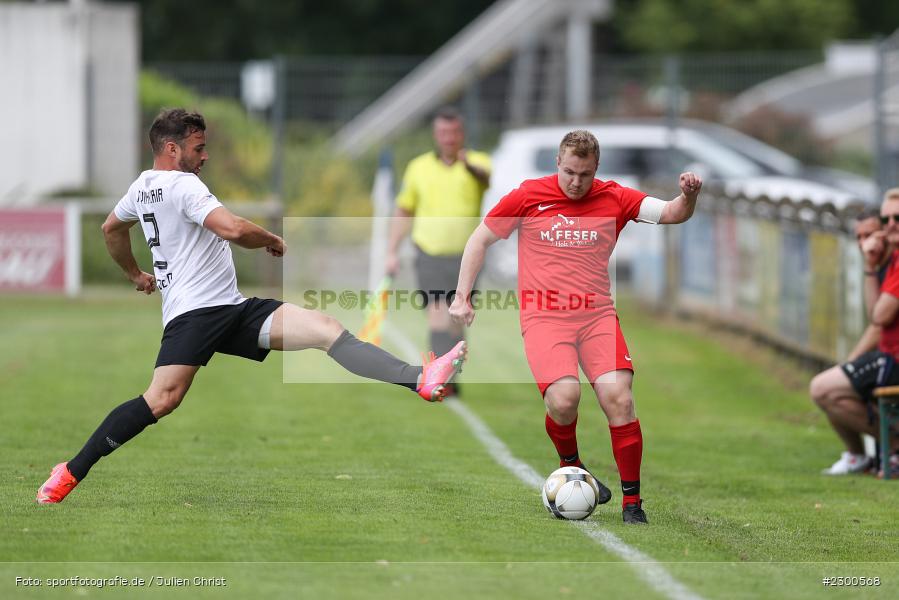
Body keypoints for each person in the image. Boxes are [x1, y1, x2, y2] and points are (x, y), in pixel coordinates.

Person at [36, 108, 467, 504]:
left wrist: (135, 274)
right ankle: (70, 472)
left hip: (231, 308)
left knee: (324, 328)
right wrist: (271, 239)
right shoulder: (183, 185)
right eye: (198, 147)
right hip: (196, 314)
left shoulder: (141, 186)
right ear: (172, 149)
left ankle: (420, 379)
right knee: (162, 399)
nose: (204, 156)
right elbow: (233, 229)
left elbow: (112, 228)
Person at [448, 130, 703, 524]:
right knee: (564, 400)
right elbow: (480, 240)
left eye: (584, 174)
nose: (576, 181)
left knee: (619, 399)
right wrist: (462, 295)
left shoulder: (616, 196)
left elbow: (671, 213)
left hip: (597, 316)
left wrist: (688, 196)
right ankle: (574, 465)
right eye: (569, 172)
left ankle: (632, 504)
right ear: (558, 164)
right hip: (544, 319)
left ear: (595, 168)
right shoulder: (528, 195)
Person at [385, 107, 491, 397]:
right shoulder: (418, 167)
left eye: (454, 132)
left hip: (466, 259)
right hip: (428, 254)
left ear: (462, 134)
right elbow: (404, 210)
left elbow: (484, 179)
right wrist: (392, 251)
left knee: (457, 320)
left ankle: (450, 376)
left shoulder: (477, 162)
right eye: (443, 133)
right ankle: (440, 380)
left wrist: (467, 166)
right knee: (437, 316)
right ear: (436, 135)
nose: (449, 138)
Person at [810, 191, 899, 477]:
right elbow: (877, 319)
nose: (864, 244)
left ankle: (888, 449)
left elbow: (878, 319)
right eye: (858, 238)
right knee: (831, 392)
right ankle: (861, 454)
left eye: (869, 234)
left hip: (893, 359)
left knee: (823, 388)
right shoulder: (886, 263)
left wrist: (850, 364)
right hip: (888, 357)